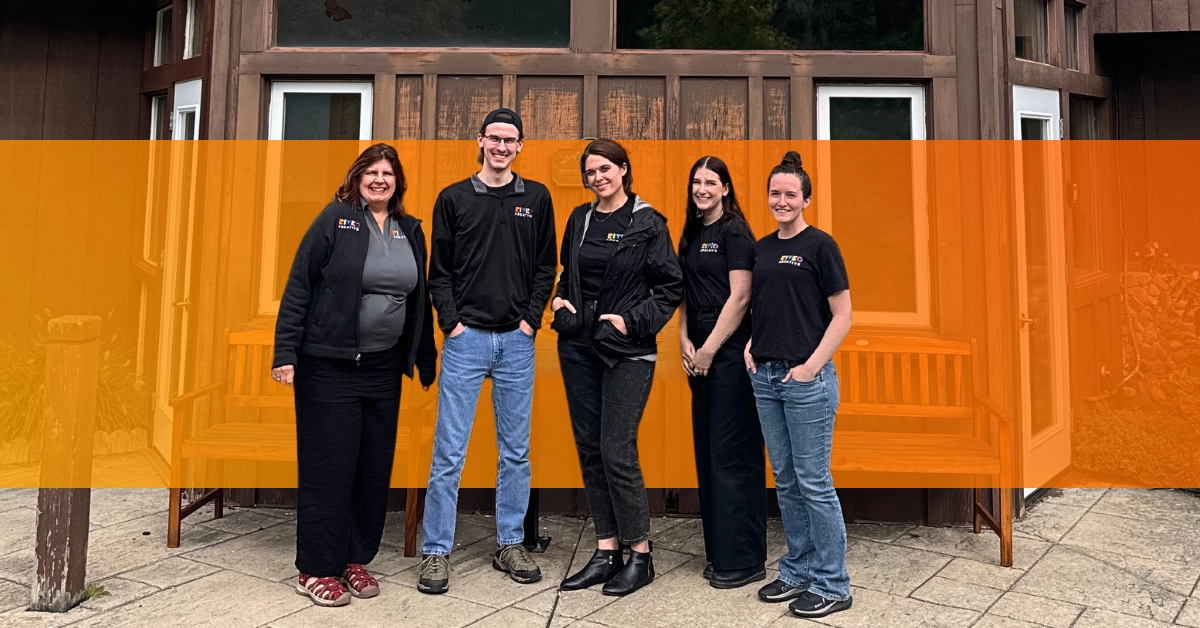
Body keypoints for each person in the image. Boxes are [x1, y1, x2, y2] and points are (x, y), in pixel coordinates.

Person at [272, 143, 438, 607]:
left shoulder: (410, 229)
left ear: (397, 181)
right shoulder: (335, 220)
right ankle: (316, 568)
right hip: (330, 366)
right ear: (357, 177)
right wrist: (285, 352)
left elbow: (419, 297)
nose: (380, 179)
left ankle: (352, 558)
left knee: (371, 468)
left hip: (383, 369)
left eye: (388, 173)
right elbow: (300, 283)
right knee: (330, 467)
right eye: (372, 171)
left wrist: (424, 358)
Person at [418, 108, 557, 594]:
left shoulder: (536, 197)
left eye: (510, 140)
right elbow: (440, 271)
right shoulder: (454, 198)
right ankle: (436, 552)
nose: (501, 147)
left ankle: (510, 543)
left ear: (521, 146)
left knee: (515, 452)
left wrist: (529, 322)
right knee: (449, 452)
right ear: (480, 142)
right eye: (494, 139)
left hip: (517, 342)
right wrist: (451, 324)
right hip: (466, 340)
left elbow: (546, 267)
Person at [552, 139, 683, 596]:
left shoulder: (647, 224)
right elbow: (567, 273)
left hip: (626, 350)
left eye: (605, 169)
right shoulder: (579, 219)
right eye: (591, 172)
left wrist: (631, 321)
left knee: (616, 449)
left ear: (624, 170)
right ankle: (607, 550)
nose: (598, 178)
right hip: (578, 346)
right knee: (590, 448)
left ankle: (640, 554)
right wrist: (560, 300)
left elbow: (670, 288)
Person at [745, 151, 853, 619]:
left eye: (791, 194)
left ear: (806, 198)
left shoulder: (820, 246)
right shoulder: (763, 247)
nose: (782, 200)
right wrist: (752, 342)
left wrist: (810, 367)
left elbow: (843, 314)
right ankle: (799, 568)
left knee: (813, 482)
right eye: (775, 193)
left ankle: (833, 582)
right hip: (766, 376)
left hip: (805, 380)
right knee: (786, 481)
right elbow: (770, 303)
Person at [676, 156, 766, 589]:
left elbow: (741, 297)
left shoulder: (734, 231)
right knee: (709, 453)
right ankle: (719, 553)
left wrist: (710, 348)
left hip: (728, 355)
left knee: (733, 455)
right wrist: (683, 339)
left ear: (726, 188)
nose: (702, 188)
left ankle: (745, 558)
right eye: (697, 181)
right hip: (699, 353)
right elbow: (684, 293)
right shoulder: (694, 232)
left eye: (711, 182)